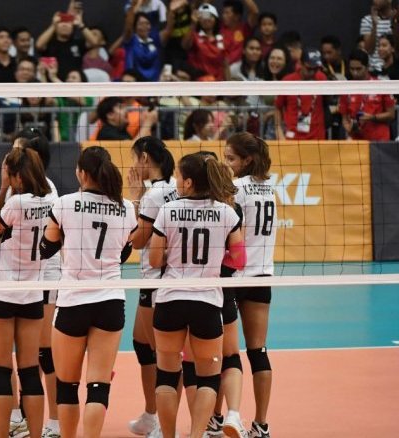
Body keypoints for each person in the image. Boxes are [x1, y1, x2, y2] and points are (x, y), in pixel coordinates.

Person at [40, 146, 137, 438]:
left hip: (72, 301)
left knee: (67, 385)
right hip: (109, 301)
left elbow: (46, 248)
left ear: (82, 173)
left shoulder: (64, 204)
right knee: (98, 385)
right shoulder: (127, 207)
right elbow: (123, 253)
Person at [148, 152, 245, 438]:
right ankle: (196, 435)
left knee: (166, 376)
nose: (176, 180)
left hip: (170, 300)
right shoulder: (227, 212)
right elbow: (239, 261)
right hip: (206, 302)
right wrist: (213, 262)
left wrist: (173, 258)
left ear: (189, 182)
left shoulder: (168, 210)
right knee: (208, 378)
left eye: (178, 176)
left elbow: (154, 260)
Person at [0, 146, 56, 438]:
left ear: (16, 175)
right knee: (28, 370)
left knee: (0, 369)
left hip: (2, 292)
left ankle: (1, 434)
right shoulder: (52, 201)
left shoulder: (15, 203)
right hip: (33, 294)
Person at [223, 132, 276, 438]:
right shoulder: (270, 187)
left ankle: (218, 417)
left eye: (230, 158)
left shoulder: (237, 188)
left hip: (234, 276)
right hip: (262, 275)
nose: (226, 163)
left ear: (247, 160)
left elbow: (235, 235)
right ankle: (262, 424)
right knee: (259, 351)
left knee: (222, 354)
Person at [125, 136, 177, 437]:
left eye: (135, 159)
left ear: (145, 158)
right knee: (143, 345)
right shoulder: (173, 185)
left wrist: (134, 197)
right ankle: (151, 413)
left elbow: (138, 240)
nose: (133, 166)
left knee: (162, 355)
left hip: (157, 279)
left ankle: (162, 422)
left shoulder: (154, 194)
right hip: (162, 277)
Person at [340, 49, 395, 141]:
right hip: (356, 141)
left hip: (379, 140)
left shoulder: (381, 85)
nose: (355, 73)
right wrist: (348, 127)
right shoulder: (346, 88)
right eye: (352, 69)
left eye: (358, 69)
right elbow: (345, 118)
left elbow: (391, 114)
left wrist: (372, 117)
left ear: (367, 67)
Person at [274, 48, 327, 140]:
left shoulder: (322, 78)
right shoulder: (288, 81)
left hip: (317, 138)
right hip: (292, 138)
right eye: (309, 68)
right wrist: (278, 130)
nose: (313, 72)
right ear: (301, 64)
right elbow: (277, 107)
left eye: (316, 69)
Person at [360, 0, 399, 73]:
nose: (374, 1)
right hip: (373, 72)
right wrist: (374, 24)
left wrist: (396, 24)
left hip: (396, 71)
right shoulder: (367, 20)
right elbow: (369, 50)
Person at [121, 0, 164, 82]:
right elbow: (128, 25)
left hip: (153, 85)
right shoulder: (131, 40)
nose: (145, 26)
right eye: (141, 24)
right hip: (134, 84)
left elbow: (168, 30)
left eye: (147, 23)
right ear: (135, 27)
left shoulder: (155, 40)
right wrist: (133, 7)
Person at [183, 3, 227, 80]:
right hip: (200, 84)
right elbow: (185, 46)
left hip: (218, 85)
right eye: (203, 16)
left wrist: (229, 87)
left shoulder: (221, 38)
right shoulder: (195, 37)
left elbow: (225, 64)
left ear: (215, 19)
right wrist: (193, 23)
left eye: (210, 16)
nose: (206, 19)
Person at [220, 0, 259, 64]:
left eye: (227, 13)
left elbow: (255, 11)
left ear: (237, 16)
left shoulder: (245, 29)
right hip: (219, 68)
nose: (223, 16)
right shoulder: (218, 27)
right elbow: (204, 6)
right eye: (223, 13)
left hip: (238, 70)